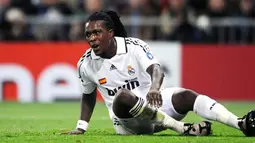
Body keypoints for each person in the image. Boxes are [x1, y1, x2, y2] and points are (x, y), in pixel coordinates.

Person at [62, 10, 255, 136]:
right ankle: (182, 129)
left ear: (111, 33)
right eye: (89, 35)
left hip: (156, 107)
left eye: (97, 33)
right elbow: (88, 96)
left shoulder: (134, 46)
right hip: (128, 122)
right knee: (122, 97)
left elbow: (156, 69)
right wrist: (81, 127)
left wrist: (154, 88)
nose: (92, 39)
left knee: (186, 95)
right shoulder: (85, 63)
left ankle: (240, 123)